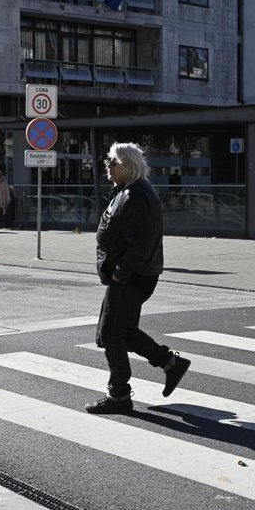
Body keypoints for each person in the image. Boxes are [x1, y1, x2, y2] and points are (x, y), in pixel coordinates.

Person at [86, 142, 191, 414]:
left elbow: (141, 244)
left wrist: (121, 272)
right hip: (131, 275)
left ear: (128, 166)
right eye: (108, 160)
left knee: (110, 335)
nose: (107, 165)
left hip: (132, 277)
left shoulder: (135, 195)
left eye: (113, 161)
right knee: (124, 331)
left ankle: (119, 395)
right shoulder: (127, 191)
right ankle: (170, 364)